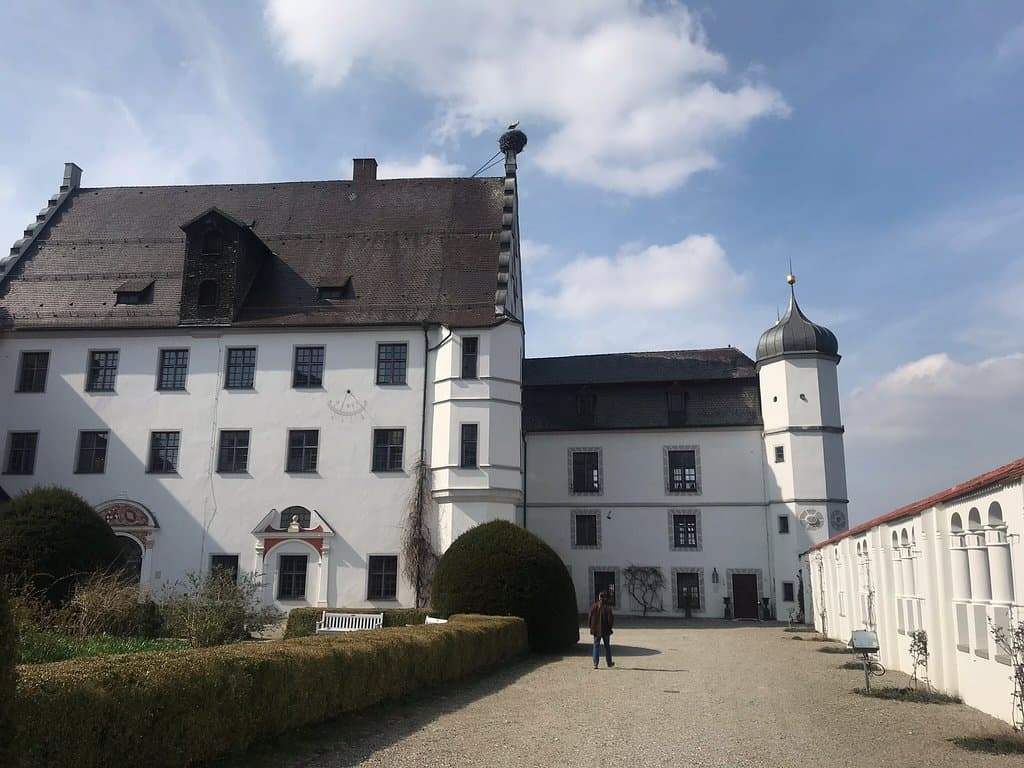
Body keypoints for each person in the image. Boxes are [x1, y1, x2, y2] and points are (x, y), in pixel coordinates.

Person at [588, 591, 614, 669]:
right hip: (606, 630)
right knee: (607, 646)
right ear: (605, 598)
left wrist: (591, 626)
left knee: (596, 646)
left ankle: (595, 663)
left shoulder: (594, 606)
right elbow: (610, 620)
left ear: (599, 597)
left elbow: (589, 617)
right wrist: (610, 628)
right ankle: (609, 663)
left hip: (596, 630)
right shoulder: (608, 608)